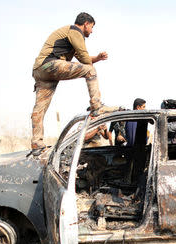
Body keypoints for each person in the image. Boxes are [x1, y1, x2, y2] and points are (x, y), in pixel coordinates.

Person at [30, 12, 119, 156]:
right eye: (92, 27)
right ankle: (96, 106)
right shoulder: (75, 32)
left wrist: (97, 58)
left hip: (40, 70)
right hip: (50, 64)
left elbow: (82, 57)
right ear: (86, 24)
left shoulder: (68, 35)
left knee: (39, 110)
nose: (92, 31)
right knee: (90, 70)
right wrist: (92, 61)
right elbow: (84, 59)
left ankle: (37, 144)